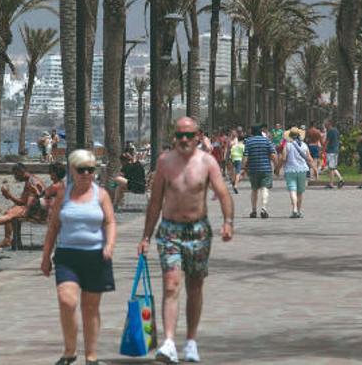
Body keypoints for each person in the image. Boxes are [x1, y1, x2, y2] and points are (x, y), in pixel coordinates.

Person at [137, 117, 234, 364]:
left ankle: (190, 341)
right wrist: (146, 236)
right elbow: (155, 201)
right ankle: (168, 342)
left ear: (197, 136)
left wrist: (228, 222)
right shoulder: (165, 162)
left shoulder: (207, 162)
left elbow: (223, 193)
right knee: (170, 285)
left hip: (198, 231)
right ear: (174, 137)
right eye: (179, 135)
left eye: (189, 135)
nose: (183, 140)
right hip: (170, 231)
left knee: (195, 286)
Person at [41, 150, 117, 365]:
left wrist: (109, 245)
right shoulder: (64, 193)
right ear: (72, 170)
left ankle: (91, 355)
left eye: (90, 170)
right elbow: (54, 225)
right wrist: (46, 256)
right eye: (81, 169)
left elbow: (110, 222)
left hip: (95, 255)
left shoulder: (101, 194)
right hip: (67, 255)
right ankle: (69, 351)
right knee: (67, 301)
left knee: (90, 308)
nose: (86, 173)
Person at [0, 163, 45, 248]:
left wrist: (9, 195)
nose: (15, 177)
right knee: (10, 211)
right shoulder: (31, 179)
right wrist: (9, 196)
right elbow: (24, 202)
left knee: (10, 214)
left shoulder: (31, 183)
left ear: (21, 171)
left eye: (16, 174)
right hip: (37, 208)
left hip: (37, 211)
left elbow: (23, 203)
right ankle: (8, 240)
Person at [241, 123, 278, 218]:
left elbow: (245, 156)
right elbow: (273, 155)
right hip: (266, 169)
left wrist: (243, 168)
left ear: (252, 132)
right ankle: (264, 208)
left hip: (253, 170)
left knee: (254, 190)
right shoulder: (267, 141)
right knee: (265, 188)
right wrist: (277, 166)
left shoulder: (249, 142)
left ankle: (253, 210)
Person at [280, 127, 315, 218]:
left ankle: (294, 209)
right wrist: (315, 170)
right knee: (300, 192)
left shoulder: (287, 145)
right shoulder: (304, 145)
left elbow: (283, 158)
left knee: (292, 190)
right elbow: (310, 159)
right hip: (302, 170)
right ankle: (298, 211)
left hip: (290, 170)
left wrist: (277, 168)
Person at [323, 119, 345, 189]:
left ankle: (331, 184)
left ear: (329, 123)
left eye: (325, 123)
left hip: (331, 151)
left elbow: (327, 142)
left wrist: (322, 150)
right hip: (335, 151)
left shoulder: (330, 131)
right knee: (332, 167)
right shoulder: (336, 130)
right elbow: (338, 140)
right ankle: (341, 179)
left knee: (331, 168)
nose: (324, 125)